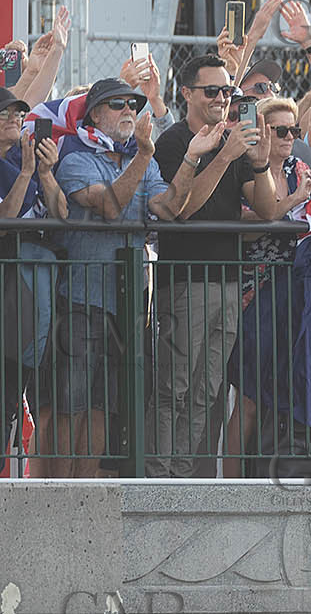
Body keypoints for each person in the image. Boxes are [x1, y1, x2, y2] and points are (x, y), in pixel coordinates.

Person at [37, 80, 196, 477]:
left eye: (133, 104)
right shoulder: (75, 156)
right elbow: (109, 205)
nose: (129, 110)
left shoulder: (141, 158)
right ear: (94, 114)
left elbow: (171, 207)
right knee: (68, 404)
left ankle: (87, 492)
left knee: (104, 406)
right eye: (117, 104)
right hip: (78, 297)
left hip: (126, 304)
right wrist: (143, 155)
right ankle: (57, 493)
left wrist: (194, 158)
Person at [149, 55, 278, 479]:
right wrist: (221, 158)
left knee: (207, 390)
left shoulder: (233, 141)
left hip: (225, 279)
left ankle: (183, 471)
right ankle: (159, 472)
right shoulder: (173, 142)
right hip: (187, 279)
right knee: (176, 385)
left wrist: (258, 160)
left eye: (228, 91)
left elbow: (267, 209)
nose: (223, 99)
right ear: (186, 93)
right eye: (213, 91)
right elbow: (182, 210)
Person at [221, 96, 311, 477]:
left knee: (278, 394)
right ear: (262, 131)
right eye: (280, 130)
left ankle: (266, 476)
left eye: (294, 130)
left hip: (294, 291)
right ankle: (230, 483)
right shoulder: (242, 166)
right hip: (252, 290)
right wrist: (294, 201)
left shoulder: (301, 168)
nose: (289, 137)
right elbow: (254, 222)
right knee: (247, 396)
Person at [0, 87, 67, 475]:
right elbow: (6, 221)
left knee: (13, 392)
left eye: (18, 112)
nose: (14, 117)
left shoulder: (24, 157)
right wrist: (26, 173)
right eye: (5, 112)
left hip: (31, 288)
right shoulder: (14, 165)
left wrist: (43, 172)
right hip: (9, 285)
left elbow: (61, 214)